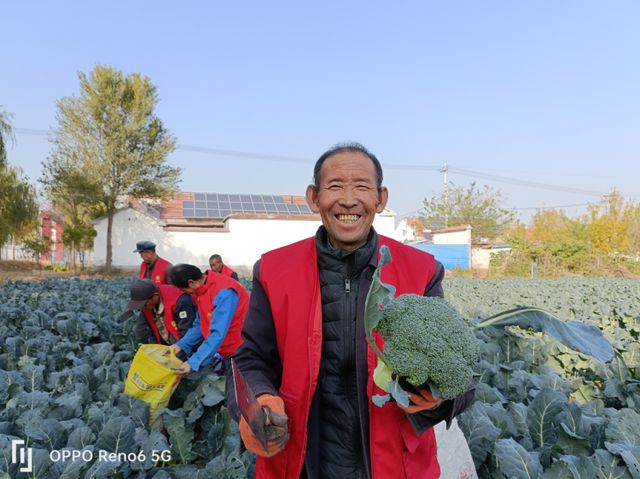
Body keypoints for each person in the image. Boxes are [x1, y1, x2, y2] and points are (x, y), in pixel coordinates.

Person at [227, 143, 475, 479]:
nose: (347, 200)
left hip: (394, 465)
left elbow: (455, 362)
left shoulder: (421, 270)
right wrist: (260, 399)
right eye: (334, 186)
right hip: (301, 461)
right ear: (314, 198)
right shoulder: (274, 270)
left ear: (380, 198)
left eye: (361, 186)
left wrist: (439, 399)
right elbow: (251, 358)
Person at [169, 264, 249, 375]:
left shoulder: (225, 292)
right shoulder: (203, 289)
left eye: (185, 290)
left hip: (242, 351)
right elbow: (200, 323)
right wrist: (180, 345)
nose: (187, 293)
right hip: (225, 350)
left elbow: (217, 333)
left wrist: (192, 362)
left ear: (191, 283)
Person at [120, 278, 196, 349]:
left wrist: (179, 354)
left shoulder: (181, 300)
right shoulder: (147, 305)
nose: (141, 308)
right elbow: (149, 332)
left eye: (144, 304)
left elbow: (187, 333)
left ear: (155, 296)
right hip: (169, 345)